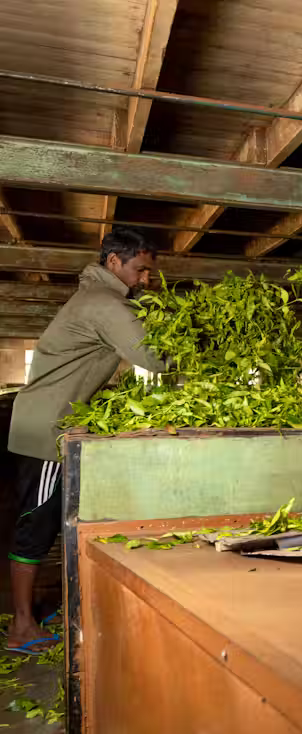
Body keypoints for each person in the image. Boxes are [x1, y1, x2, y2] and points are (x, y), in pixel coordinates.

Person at [6, 227, 166, 653]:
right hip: (47, 431)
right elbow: (156, 357)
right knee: (35, 526)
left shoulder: (101, 298)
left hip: (59, 424)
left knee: (60, 523)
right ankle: (21, 626)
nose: (146, 279)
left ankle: (52, 610)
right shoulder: (103, 303)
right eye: (140, 270)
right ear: (113, 262)